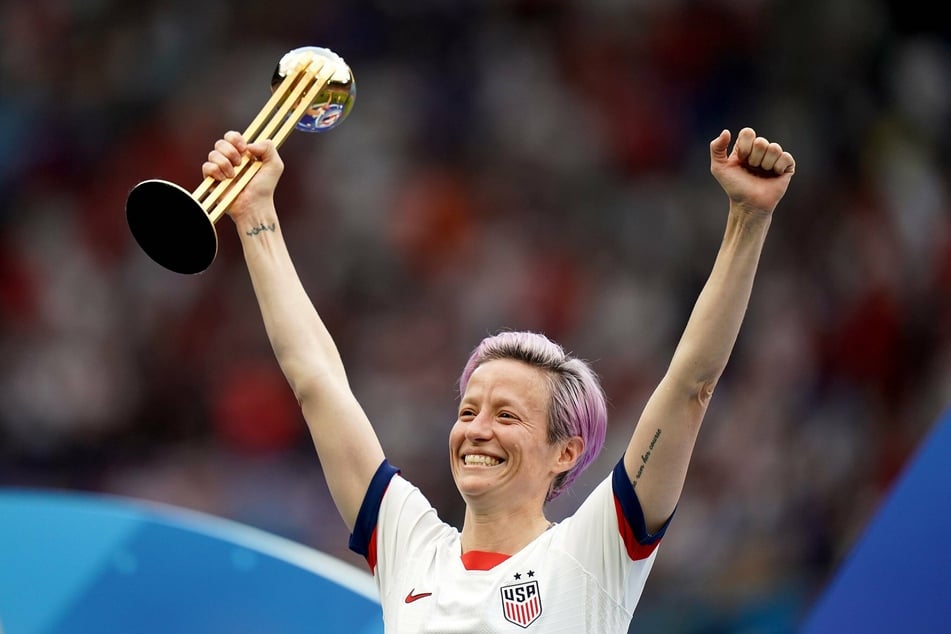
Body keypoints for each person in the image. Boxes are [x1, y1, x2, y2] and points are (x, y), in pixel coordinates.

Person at [202, 125, 795, 632]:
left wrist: (748, 219)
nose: (477, 430)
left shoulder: (594, 552)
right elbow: (316, 381)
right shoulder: (411, 546)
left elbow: (690, 385)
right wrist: (257, 215)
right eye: (468, 412)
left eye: (507, 415)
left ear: (566, 451)